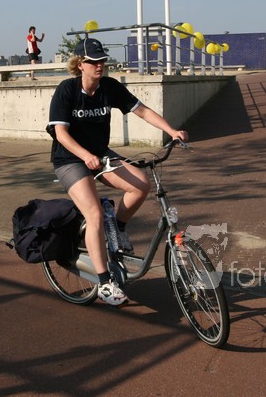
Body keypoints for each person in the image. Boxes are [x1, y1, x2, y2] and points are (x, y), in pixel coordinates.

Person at [48, 38, 188, 306]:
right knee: (94, 215)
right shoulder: (67, 90)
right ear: (80, 64)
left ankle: (118, 228)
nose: (100, 65)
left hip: (100, 155)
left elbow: (142, 111)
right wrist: (85, 155)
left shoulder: (109, 87)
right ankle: (104, 283)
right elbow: (60, 133)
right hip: (70, 159)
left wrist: (172, 131)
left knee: (141, 185)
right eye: (93, 61)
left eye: (102, 60)